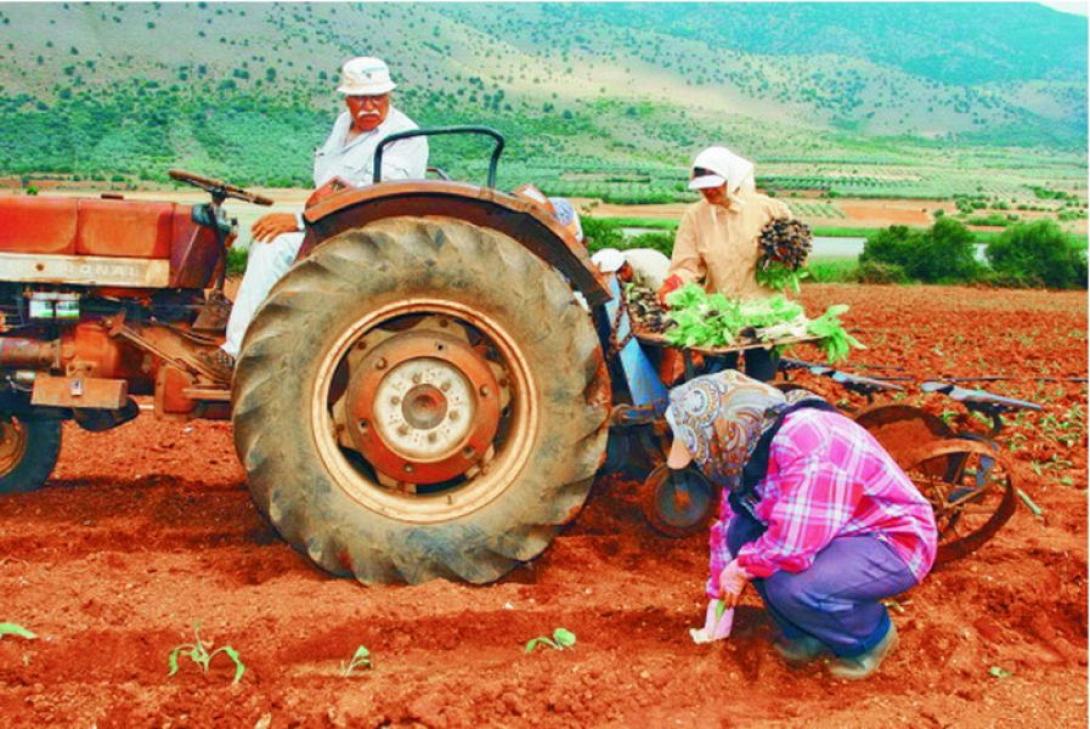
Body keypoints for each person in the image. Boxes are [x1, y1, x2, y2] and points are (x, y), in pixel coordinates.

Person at [665, 371, 938, 679]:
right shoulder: (747, 450)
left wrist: (742, 568)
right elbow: (728, 525)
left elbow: (793, 546)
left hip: (889, 540)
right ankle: (805, 632)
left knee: (792, 586)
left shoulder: (807, 443)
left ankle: (869, 639)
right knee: (741, 536)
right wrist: (719, 590)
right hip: (832, 532)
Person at [204, 56, 428, 380]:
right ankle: (270, 337)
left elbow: (368, 198)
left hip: (367, 232)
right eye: (360, 98)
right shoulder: (342, 125)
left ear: (389, 95)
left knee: (274, 246)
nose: (369, 105)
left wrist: (298, 220)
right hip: (332, 224)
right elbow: (330, 184)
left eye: (377, 97)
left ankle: (237, 353)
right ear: (346, 98)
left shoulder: (403, 136)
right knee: (266, 238)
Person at [658, 146, 792, 382]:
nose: (707, 190)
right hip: (719, 315)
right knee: (718, 383)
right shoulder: (695, 216)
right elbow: (687, 264)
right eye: (702, 186)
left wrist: (784, 256)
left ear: (730, 179)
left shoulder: (769, 209)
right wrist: (674, 283)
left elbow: (795, 253)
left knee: (762, 384)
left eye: (714, 183)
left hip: (765, 312)